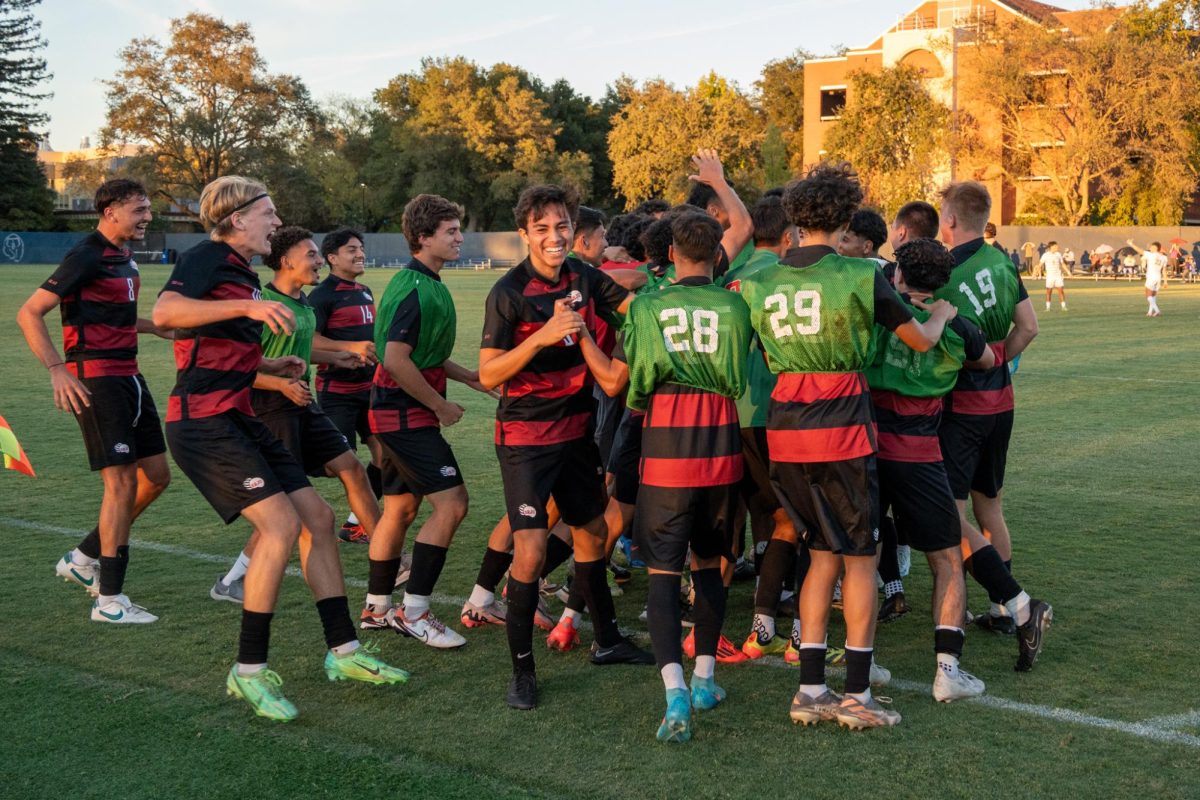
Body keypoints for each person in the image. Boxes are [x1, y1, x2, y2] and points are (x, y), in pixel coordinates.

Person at [153, 176, 407, 722]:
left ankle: (345, 652)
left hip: (239, 416)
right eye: (268, 213)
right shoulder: (209, 257)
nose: (275, 222)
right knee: (280, 526)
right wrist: (245, 311)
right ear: (238, 218)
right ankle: (247, 672)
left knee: (317, 515)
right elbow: (167, 316)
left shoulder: (242, 271)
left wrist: (268, 364)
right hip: (202, 424)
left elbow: (203, 347)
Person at [739, 164, 958, 730]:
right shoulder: (861, 272)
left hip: (784, 429)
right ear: (843, 219)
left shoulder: (760, 279)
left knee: (819, 554)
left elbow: (762, 352)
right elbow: (921, 338)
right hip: (841, 426)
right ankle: (857, 695)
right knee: (860, 558)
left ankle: (811, 690)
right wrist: (939, 312)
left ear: (795, 218)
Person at [479, 182, 652, 712]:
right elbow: (489, 375)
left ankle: (606, 639)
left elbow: (634, 308)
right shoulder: (507, 293)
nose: (554, 238)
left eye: (561, 227)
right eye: (542, 229)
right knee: (530, 550)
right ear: (524, 234)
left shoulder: (585, 276)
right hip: (526, 439)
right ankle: (522, 673)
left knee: (593, 532)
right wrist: (542, 335)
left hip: (577, 432)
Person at [581, 211, 751, 742]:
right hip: (721, 447)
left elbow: (635, 385)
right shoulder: (733, 303)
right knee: (710, 565)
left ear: (673, 253)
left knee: (662, 574)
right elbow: (739, 375)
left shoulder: (650, 304)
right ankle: (704, 679)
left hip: (664, 449)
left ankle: (674, 691)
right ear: (717, 254)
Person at [17, 178, 171, 623]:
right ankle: (110, 602)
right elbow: (29, 312)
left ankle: (84, 557)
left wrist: (155, 327)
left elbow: (112, 316)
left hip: (131, 376)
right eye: (139, 209)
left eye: (147, 209)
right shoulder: (86, 254)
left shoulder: (123, 257)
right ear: (111, 212)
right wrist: (56, 369)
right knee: (121, 484)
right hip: (97, 378)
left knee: (157, 477)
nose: (147, 217)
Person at [211, 227, 380, 605]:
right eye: (312, 255)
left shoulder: (304, 304)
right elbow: (236, 367)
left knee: (352, 468)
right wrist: (280, 385)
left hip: (304, 404)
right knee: (287, 504)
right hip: (270, 409)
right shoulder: (261, 304)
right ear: (287, 261)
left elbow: (301, 352)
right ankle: (233, 580)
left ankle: (389, 556)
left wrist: (341, 356)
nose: (319, 261)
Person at [865, 237, 995, 701]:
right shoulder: (957, 327)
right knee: (945, 559)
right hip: (920, 453)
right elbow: (988, 359)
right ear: (945, 282)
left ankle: (864, 662)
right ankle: (947, 671)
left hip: (868, 448)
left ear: (897, 274)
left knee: (857, 559)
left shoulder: (878, 309)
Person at [361, 194, 492, 648]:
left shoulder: (421, 281)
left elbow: (420, 354)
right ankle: (413, 611)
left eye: (459, 229)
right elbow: (396, 360)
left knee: (399, 509)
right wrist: (439, 404)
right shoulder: (416, 288)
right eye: (450, 231)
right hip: (403, 414)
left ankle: (376, 608)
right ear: (423, 237)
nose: (460, 237)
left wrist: (468, 378)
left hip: (393, 412)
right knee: (453, 504)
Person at [935, 181, 1052, 671]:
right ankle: (1003, 610)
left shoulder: (943, 273)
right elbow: (1029, 327)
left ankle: (980, 614)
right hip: (1001, 400)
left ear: (951, 221)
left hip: (960, 405)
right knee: (991, 505)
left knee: (946, 514)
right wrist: (997, 358)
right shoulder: (1003, 261)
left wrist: (978, 360)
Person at [725, 196, 807, 662]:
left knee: (742, 516)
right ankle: (780, 629)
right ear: (788, 236)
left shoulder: (728, 273)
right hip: (770, 413)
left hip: (724, 414)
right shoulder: (780, 277)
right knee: (792, 519)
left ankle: (716, 625)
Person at [308, 227, 383, 544]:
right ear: (332, 257)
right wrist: (352, 348)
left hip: (370, 390)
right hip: (337, 394)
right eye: (352, 249)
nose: (360, 254)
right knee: (338, 464)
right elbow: (310, 340)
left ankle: (356, 524)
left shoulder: (364, 290)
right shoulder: (321, 296)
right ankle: (296, 466)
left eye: (361, 248)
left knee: (385, 457)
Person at [1128, 239, 1167, 316]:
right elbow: (1164, 271)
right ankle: (1150, 312)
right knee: (1153, 295)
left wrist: (1131, 244)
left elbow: (1140, 250)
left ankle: (1157, 310)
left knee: (1148, 295)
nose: (1150, 248)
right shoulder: (1164, 258)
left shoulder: (1151, 255)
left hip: (1151, 277)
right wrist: (1165, 281)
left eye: (1152, 247)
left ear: (1156, 248)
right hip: (1158, 277)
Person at [1039, 241, 1068, 310]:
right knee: (1049, 291)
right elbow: (1040, 264)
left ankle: (1063, 306)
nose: (1057, 247)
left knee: (1061, 291)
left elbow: (1062, 264)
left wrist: (1068, 272)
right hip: (1050, 276)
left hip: (1058, 276)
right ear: (1051, 247)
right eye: (1055, 246)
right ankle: (1048, 307)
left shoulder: (1058, 254)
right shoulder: (1045, 255)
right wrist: (1037, 273)